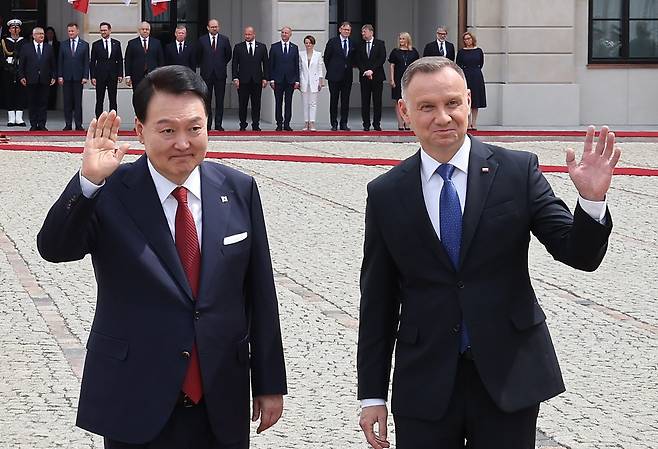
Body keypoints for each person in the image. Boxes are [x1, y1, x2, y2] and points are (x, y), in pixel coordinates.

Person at [357, 56, 620, 449]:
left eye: (452, 103)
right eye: (427, 107)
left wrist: (591, 201)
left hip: (508, 376)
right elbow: (377, 301)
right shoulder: (385, 194)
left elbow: (577, 253)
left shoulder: (516, 171)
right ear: (405, 112)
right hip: (424, 381)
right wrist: (372, 395)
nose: (443, 118)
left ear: (468, 102)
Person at [37, 65, 287, 449]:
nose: (182, 143)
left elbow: (260, 293)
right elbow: (54, 248)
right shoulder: (111, 190)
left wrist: (270, 383)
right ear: (139, 130)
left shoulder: (239, 189)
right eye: (167, 130)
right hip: (135, 397)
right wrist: (87, 183)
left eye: (194, 128)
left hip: (220, 397)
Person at [18, 27, 56, 131]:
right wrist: (21, 76)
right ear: (33, 35)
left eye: (43, 34)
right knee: (32, 102)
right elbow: (22, 64)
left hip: (45, 79)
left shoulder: (49, 48)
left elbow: (53, 64)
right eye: (39, 34)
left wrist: (53, 76)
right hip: (31, 79)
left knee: (43, 102)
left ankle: (42, 124)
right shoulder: (26, 48)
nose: (41, 36)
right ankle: (34, 124)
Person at [196, 19, 232, 131]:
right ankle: (207, 125)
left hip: (220, 75)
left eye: (216, 27)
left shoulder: (224, 40)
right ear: (208, 28)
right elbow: (198, 56)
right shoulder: (202, 40)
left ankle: (218, 124)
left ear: (218, 27)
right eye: (212, 27)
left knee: (220, 100)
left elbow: (228, 56)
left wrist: (219, 65)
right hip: (206, 75)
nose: (214, 28)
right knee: (207, 101)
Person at [231, 26, 268, 131]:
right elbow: (234, 64)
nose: (247, 36)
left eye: (249, 34)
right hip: (243, 80)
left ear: (254, 34)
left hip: (257, 80)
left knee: (256, 103)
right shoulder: (238, 47)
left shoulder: (262, 47)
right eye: (246, 34)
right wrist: (235, 78)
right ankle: (242, 124)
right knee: (243, 103)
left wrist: (265, 78)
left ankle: (255, 124)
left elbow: (265, 63)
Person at [323, 21, 356, 131]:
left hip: (347, 76)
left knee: (345, 100)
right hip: (334, 76)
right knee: (334, 100)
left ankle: (344, 123)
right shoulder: (332, 42)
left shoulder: (352, 43)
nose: (346, 32)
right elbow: (326, 58)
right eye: (345, 29)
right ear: (340, 30)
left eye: (348, 30)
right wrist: (333, 69)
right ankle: (334, 123)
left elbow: (354, 59)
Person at [58, 23, 90, 131]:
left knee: (77, 103)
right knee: (67, 102)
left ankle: (78, 124)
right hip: (66, 77)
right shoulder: (63, 44)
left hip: (78, 77)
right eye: (69, 31)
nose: (70, 33)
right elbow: (60, 62)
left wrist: (85, 76)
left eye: (72, 31)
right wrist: (60, 76)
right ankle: (67, 124)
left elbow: (86, 62)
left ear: (77, 31)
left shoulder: (84, 45)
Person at [355, 24, 386, 131]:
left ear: (371, 32)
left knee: (377, 101)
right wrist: (365, 71)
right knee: (365, 101)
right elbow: (358, 60)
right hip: (364, 77)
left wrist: (372, 70)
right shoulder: (359, 45)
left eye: (365, 32)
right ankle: (366, 124)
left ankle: (377, 123)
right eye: (362, 32)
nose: (362, 34)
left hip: (377, 76)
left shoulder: (380, 44)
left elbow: (381, 58)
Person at [269, 26, 300, 131]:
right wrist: (271, 79)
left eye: (286, 33)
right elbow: (271, 64)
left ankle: (287, 124)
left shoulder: (294, 48)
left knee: (288, 102)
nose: (284, 34)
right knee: (278, 103)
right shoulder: (274, 47)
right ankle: (279, 124)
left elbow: (296, 65)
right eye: (282, 32)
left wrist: (297, 80)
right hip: (278, 80)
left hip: (290, 80)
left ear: (290, 34)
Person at [90, 22, 124, 119]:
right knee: (99, 99)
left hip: (113, 75)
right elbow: (92, 62)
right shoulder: (96, 44)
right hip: (100, 76)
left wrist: (120, 74)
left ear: (109, 30)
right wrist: (92, 76)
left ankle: (113, 121)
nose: (103, 32)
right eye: (101, 30)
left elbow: (120, 60)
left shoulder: (116, 43)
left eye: (105, 30)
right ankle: (98, 121)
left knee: (113, 99)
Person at [388, 32, 419, 130]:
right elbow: (392, 65)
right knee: (398, 101)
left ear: (407, 40)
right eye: (400, 39)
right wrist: (392, 79)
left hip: (410, 79)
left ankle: (408, 122)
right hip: (398, 78)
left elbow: (416, 66)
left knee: (409, 101)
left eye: (403, 39)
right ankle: (400, 123)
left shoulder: (413, 52)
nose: (401, 41)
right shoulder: (395, 52)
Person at [456, 31, 486, 130]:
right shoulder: (461, 52)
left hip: (476, 76)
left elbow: (481, 63)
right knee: (466, 99)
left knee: (476, 100)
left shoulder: (479, 51)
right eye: (465, 39)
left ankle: (474, 123)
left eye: (469, 38)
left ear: (472, 39)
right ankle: (467, 123)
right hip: (466, 75)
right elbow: (458, 65)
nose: (467, 41)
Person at [1, 19, 27, 126]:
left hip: (21, 70)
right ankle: (11, 118)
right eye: (13, 28)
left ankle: (19, 118)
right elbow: (1, 57)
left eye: (17, 28)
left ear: (20, 29)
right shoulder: (4, 41)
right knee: (9, 92)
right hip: (8, 70)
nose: (15, 30)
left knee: (21, 93)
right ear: (9, 29)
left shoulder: (24, 41)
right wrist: (6, 66)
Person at [124, 21, 164, 91]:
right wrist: (128, 76)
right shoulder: (132, 43)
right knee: (137, 96)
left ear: (150, 30)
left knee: (151, 96)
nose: (145, 31)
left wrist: (160, 75)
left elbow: (160, 60)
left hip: (153, 75)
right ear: (139, 30)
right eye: (143, 29)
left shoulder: (157, 43)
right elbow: (128, 60)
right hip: (136, 75)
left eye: (147, 29)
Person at [298, 34, 325, 131]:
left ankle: (312, 122)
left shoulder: (318, 54)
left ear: (313, 44)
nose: (308, 45)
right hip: (304, 80)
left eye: (309, 43)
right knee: (305, 103)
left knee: (313, 103)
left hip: (314, 81)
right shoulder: (301, 54)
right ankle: (306, 123)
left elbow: (319, 68)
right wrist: (299, 81)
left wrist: (321, 81)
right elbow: (300, 68)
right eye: (306, 43)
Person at [45, 26, 60, 110]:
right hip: (45, 70)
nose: (49, 35)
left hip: (54, 69)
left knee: (54, 89)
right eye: (48, 33)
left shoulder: (58, 44)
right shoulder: (43, 44)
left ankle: (52, 105)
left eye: (51, 33)